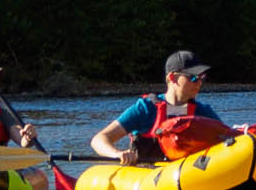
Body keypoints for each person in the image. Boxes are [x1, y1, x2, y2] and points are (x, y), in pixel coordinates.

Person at [92, 51, 227, 163]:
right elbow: (99, 139)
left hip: (187, 180)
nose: (199, 83)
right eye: (193, 78)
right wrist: (117, 154)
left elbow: (228, 138)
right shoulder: (145, 109)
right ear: (172, 78)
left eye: (201, 77)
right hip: (147, 179)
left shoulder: (203, 112)